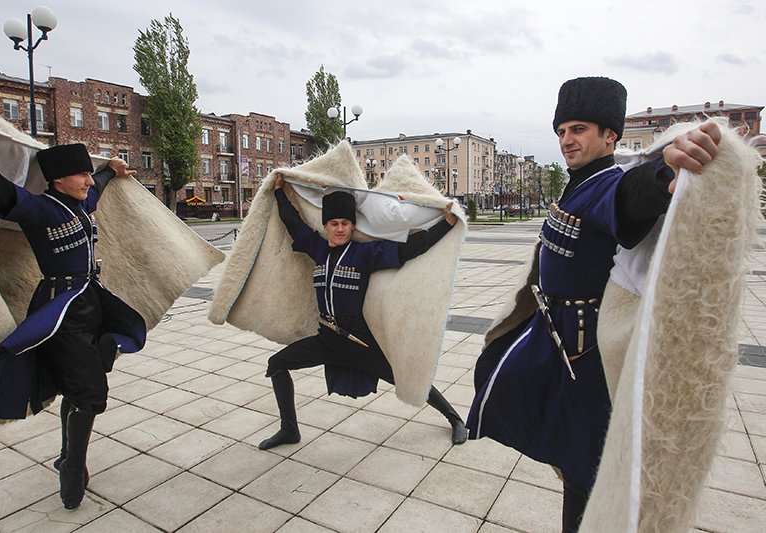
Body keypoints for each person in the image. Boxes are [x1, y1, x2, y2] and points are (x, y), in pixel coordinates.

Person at [465, 77, 722, 533]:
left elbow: (634, 193)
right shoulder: (576, 184)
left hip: (586, 361)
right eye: (561, 130)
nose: (567, 140)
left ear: (609, 136)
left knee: (586, 472)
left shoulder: (606, 184)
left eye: (578, 129)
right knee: (526, 414)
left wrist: (666, 171)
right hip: (554, 342)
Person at [0, 144, 146, 510]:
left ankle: (67, 456)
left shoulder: (80, 201)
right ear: (58, 179)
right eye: (80, 175)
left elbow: (98, 184)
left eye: (86, 174)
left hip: (91, 304)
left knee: (77, 389)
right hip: (61, 311)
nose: (86, 181)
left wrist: (110, 169)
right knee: (93, 395)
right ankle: (73, 469)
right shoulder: (39, 209)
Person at [258, 175, 468, 450]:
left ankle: (456, 420)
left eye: (345, 223)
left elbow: (409, 249)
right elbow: (293, 223)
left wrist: (444, 226)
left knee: (408, 380)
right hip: (327, 339)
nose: (340, 229)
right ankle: (289, 430)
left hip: (359, 342)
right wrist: (279, 193)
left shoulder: (365, 253)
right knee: (277, 364)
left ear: (352, 225)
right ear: (326, 226)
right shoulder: (318, 248)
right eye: (334, 224)